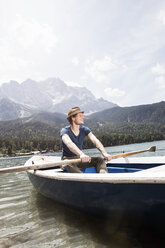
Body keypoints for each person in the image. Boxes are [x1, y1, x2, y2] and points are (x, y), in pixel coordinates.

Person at [60, 107, 112, 173]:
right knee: (68, 164)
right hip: (67, 160)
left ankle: (103, 178)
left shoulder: (84, 129)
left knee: (100, 160)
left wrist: (105, 153)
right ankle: (83, 180)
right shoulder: (65, 131)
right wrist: (81, 154)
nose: (83, 117)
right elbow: (69, 143)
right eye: (80, 116)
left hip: (79, 159)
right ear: (73, 118)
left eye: (82, 116)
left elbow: (95, 140)